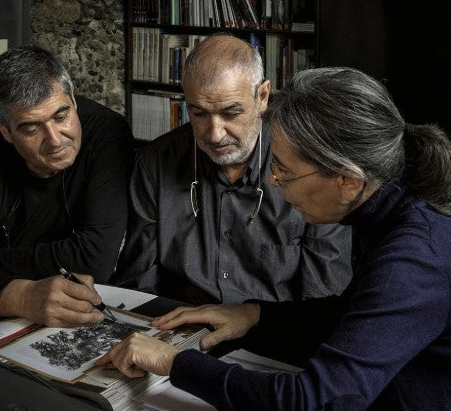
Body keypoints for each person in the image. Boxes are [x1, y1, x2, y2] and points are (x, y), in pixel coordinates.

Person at [99, 67, 451, 411]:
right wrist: (255, 315)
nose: (273, 181)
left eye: (284, 171)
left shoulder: (416, 259)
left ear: (347, 180)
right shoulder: (398, 202)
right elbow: (362, 313)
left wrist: (175, 363)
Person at [114, 34, 352, 305]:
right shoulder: (156, 163)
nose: (214, 135)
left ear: (262, 97)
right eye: (199, 114)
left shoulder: (312, 166)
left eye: (230, 113)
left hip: (276, 328)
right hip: (177, 323)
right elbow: (138, 288)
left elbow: (325, 302)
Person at [0, 45, 135, 327]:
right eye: (32, 129)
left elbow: (95, 259)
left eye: (61, 116)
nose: (55, 139)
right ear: (5, 130)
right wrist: (23, 297)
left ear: (73, 99)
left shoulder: (107, 133)